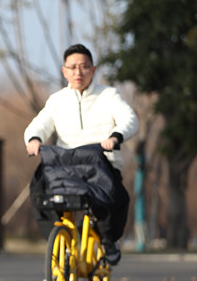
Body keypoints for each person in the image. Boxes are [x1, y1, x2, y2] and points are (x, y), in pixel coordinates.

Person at [24, 43, 138, 267]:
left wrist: (115, 136)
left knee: (116, 198)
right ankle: (58, 247)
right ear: (64, 71)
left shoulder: (109, 94)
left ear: (93, 70)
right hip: (65, 165)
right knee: (38, 190)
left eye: (84, 66)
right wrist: (34, 139)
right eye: (73, 67)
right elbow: (39, 125)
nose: (79, 72)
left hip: (101, 161)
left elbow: (129, 118)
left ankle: (108, 240)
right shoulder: (57, 100)